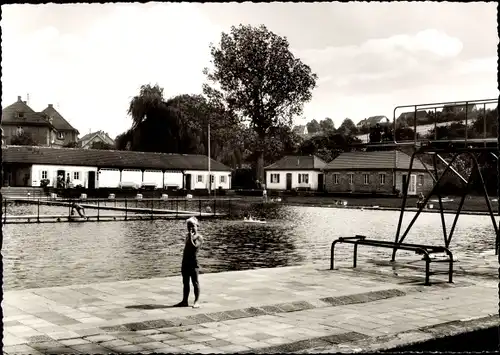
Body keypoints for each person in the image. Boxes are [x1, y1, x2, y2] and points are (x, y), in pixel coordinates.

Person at [175, 216, 203, 308]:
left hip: (193, 263)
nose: (190, 228)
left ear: (197, 226)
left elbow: (194, 247)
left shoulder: (199, 237)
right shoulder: (188, 236)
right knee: (185, 282)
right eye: (188, 226)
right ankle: (184, 300)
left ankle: (196, 301)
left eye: (192, 226)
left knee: (195, 282)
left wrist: (191, 238)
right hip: (185, 262)